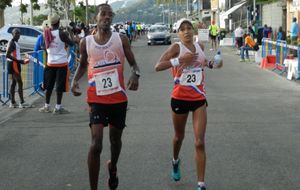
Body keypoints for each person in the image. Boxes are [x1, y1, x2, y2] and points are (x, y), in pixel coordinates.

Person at [70, 3, 140, 190]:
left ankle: (113, 167)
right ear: (96, 18)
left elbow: (134, 64)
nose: (107, 17)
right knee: (96, 144)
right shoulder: (86, 42)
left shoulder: (121, 39)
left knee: (115, 141)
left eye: (110, 15)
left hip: (118, 99)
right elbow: (83, 64)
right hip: (96, 99)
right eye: (103, 14)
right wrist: (74, 80)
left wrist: (135, 74)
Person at [155, 18, 223, 190]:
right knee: (179, 137)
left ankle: (201, 184)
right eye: (182, 29)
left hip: (199, 99)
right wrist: (179, 60)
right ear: (178, 33)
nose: (186, 31)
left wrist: (214, 64)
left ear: (193, 31)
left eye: (189, 28)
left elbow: (204, 63)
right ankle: (175, 161)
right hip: (179, 99)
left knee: (199, 142)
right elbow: (158, 66)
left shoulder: (199, 46)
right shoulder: (176, 47)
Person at [38, 14, 75, 114]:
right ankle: (58, 108)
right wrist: (70, 33)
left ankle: (47, 106)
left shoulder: (45, 33)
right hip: (61, 63)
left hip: (50, 63)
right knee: (60, 86)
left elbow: (43, 47)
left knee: (48, 86)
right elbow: (72, 43)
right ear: (58, 22)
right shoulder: (62, 33)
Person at [6, 28, 31, 108]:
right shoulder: (12, 42)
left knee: (13, 83)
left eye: (19, 33)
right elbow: (7, 54)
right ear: (12, 34)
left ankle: (12, 102)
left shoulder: (15, 42)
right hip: (13, 64)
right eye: (16, 33)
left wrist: (22, 59)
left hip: (14, 63)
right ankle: (22, 102)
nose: (18, 35)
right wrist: (19, 61)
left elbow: (14, 54)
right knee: (19, 82)